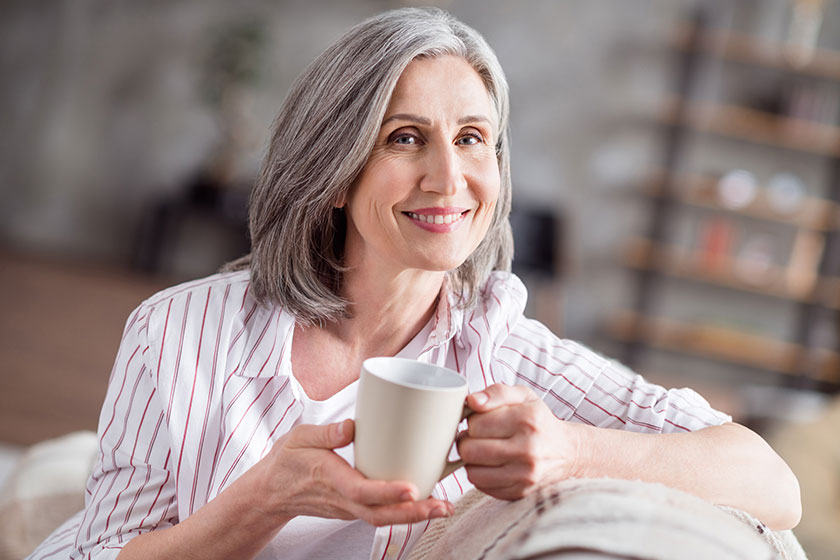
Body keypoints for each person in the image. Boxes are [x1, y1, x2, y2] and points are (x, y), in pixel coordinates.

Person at [30, 7, 800, 560]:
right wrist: (269, 496)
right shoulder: (176, 332)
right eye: (406, 139)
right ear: (334, 171)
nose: (448, 178)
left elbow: (770, 484)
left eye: (473, 140)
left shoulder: (498, 345)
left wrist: (567, 449)